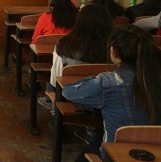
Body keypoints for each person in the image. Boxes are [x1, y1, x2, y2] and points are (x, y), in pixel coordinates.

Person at [62, 25, 161, 161]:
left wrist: (99, 77)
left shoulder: (109, 83)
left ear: (114, 53)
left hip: (115, 154)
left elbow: (69, 91)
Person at [38, 4, 113, 111]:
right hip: (110, 97)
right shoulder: (116, 47)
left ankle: (52, 106)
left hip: (74, 98)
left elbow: (56, 79)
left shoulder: (65, 45)